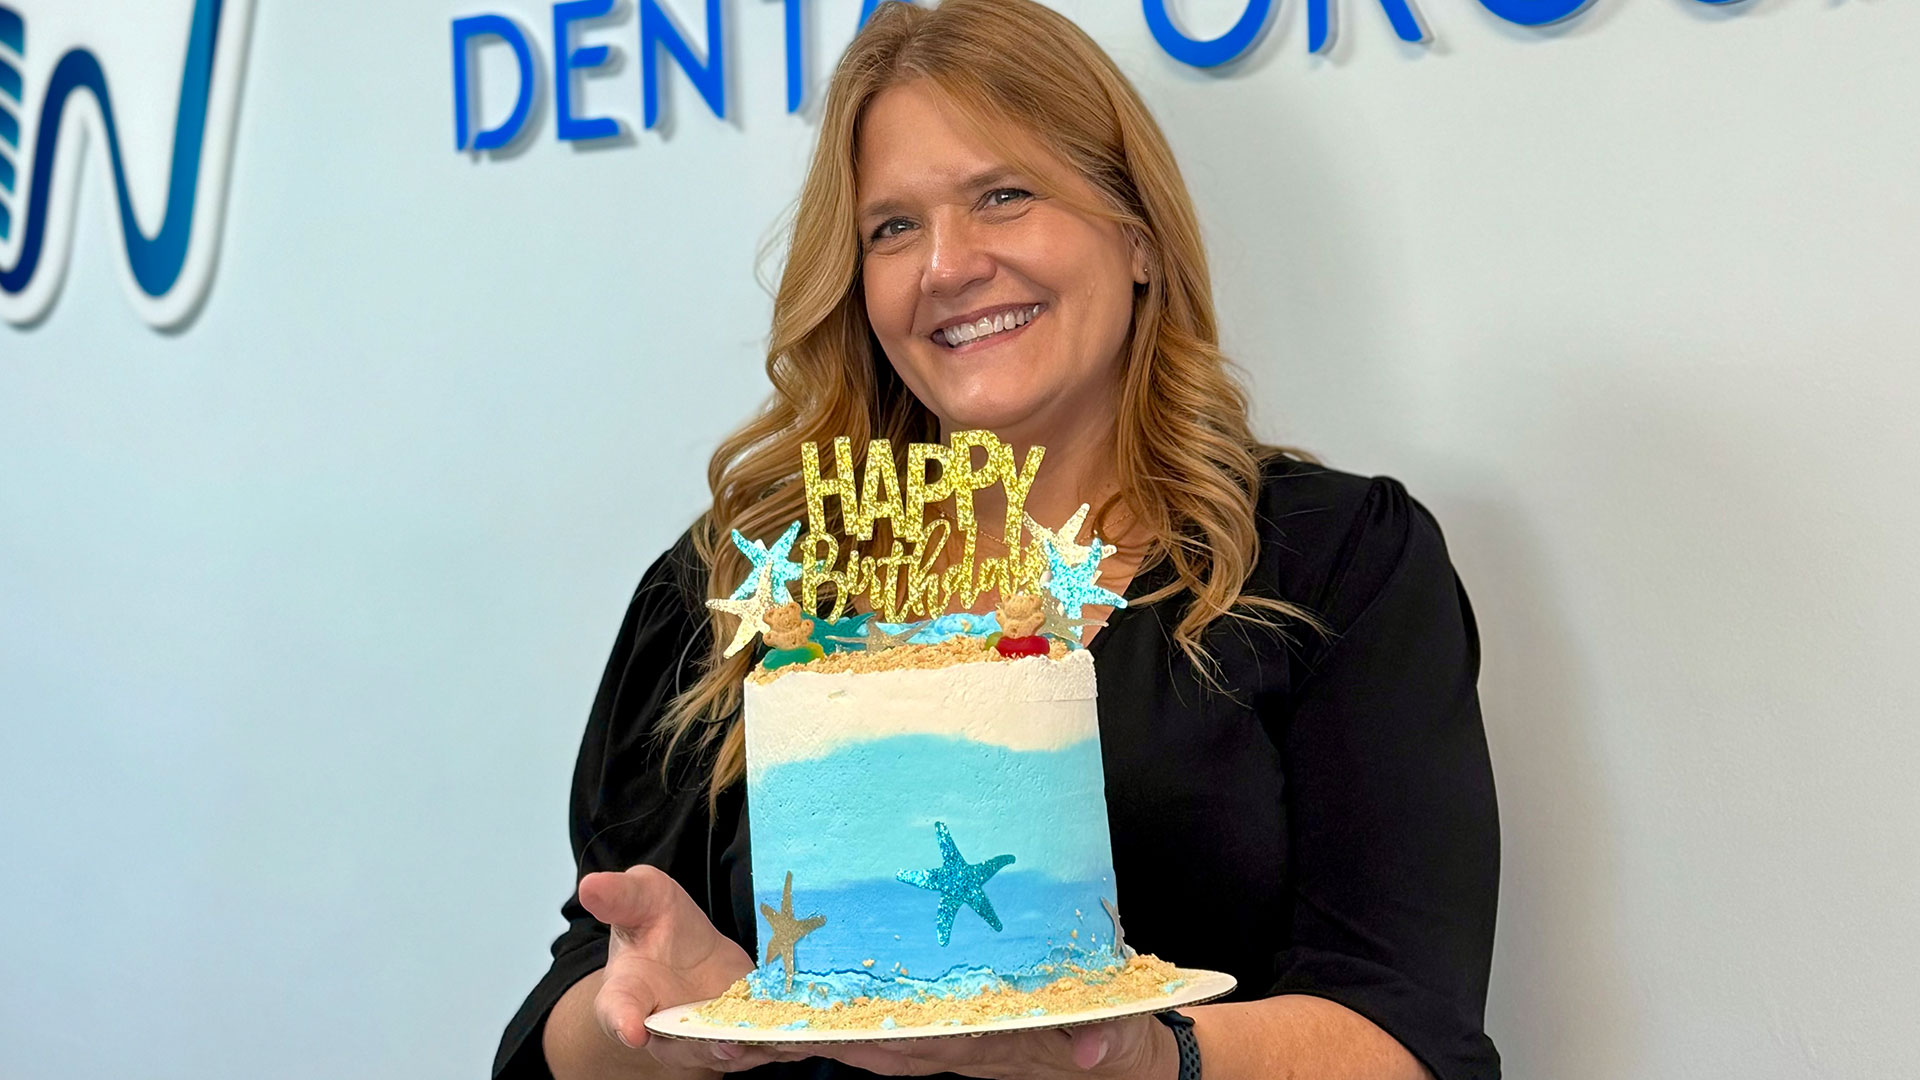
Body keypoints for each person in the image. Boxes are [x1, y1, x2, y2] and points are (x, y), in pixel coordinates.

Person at [494, 1, 1500, 1077]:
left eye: (1004, 197)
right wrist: (668, 1033)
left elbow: (1407, 1038)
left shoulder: (1329, 561)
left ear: (1140, 235)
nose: (946, 265)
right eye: (892, 228)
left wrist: (1122, 1059)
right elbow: (565, 1025)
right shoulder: (742, 580)